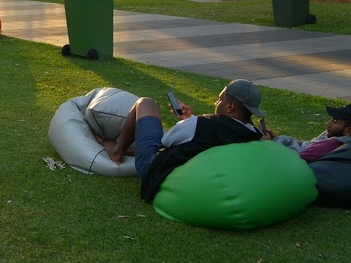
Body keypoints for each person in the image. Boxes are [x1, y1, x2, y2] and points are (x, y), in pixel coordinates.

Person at [98, 80, 265, 202]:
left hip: (156, 169)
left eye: (220, 99)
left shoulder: (200, 125)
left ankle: (117, 150)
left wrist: (188, 123)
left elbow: (167, 141)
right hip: (197, 175)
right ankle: (129, 149)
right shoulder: (254, 135)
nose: (216, 103)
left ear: (230, 107)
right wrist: (192, 121)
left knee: (146, 103)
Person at [264, 103, 351, 163]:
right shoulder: (335, 139)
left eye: (335, 122)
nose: (327, 123)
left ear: (348, 131)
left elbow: (292, 160)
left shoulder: (330, 145)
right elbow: (306, 145)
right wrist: (277, 139)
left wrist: (269, 144)